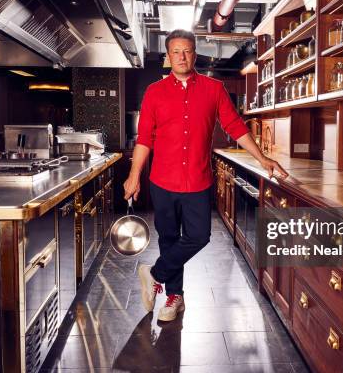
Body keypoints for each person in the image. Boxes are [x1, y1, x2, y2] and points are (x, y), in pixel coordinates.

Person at [123, 29, 288, 322]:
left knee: (199, 236)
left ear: (194, 54)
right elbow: (144, 139)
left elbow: (235, 127)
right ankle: (175, 297)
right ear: (168, 56)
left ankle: (154, 273)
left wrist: (263, 159)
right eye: (176, 52)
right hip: (162, 181)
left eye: (187, 51)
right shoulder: (154, 93)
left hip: (198, 181)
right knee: (170, 240)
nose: (182, 57)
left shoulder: (214, 89)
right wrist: (134, 175)